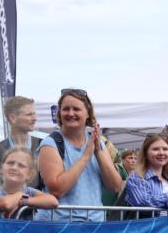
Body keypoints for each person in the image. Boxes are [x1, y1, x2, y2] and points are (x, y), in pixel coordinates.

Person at [37, 89, 123, 222]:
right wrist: (86, 156)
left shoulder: (97, 141)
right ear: (59, 113)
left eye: (76, 109)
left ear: (87, 113)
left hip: (93, 226)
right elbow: (57, 189)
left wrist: (98, 152)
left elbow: (115, 186)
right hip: (60, 227)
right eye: (66, 109)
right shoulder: (50, 143)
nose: (71, 113)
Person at [0, 147, 58, 219]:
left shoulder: (28, 191)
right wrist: (20, 195)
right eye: (10, 163)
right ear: (1, 168)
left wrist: (25, 201)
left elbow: (53, 202)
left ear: (29, 174)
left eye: (21, 165)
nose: (14, 167)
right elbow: (6, 204)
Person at [0, 96, 41, 189]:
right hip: (8, 202)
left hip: (40, 201)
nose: (35, 118)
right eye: (29, 114)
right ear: (13, 118)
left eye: (34, 114)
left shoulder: (43, 145)